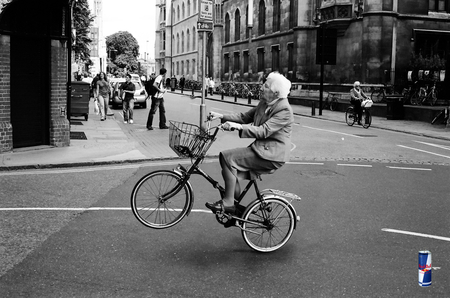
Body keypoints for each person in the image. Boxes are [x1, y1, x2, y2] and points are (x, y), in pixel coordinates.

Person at [205, 72, 294, 214]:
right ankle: (235, 203)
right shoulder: (264, 102)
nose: (261, 87)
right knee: (228, 165)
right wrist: (221, 116)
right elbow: (245, 117)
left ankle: (228, 203)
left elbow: (264, 131)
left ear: (275, 92)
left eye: (265, 85)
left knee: (228, 157)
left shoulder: (284, 110)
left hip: (272, 154)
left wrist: (237, 127)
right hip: (262, 149)